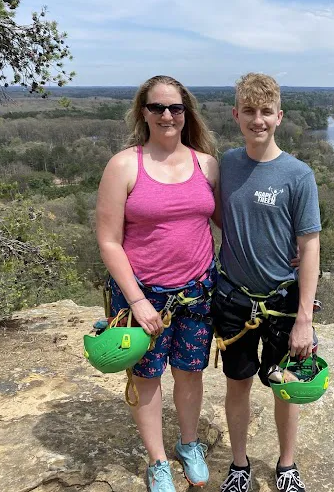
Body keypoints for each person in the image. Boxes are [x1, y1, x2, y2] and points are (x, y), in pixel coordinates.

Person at [96, 75, 219, 492]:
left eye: (175, 108)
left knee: (190, 371)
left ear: (186, 113)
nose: (167, 115)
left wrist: (286, 250)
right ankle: (158, 461)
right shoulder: (125, 165)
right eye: (157, 107)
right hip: (143, 295)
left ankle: (188, 445)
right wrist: (137, 300)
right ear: (143, 112)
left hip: (199, 291)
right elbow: (109, 241)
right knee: (147, 376)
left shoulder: (206, 163)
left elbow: (230, 225)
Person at [212, 73, 321, 492]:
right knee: (237, 382)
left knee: (285, 386)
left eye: (266, 112)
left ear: (280, 116)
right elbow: (220, 215)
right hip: (234, 298)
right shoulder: (228, 164)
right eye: (249, 112)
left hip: (282, 300)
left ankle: (286, 466)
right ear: (236, 115)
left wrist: (305, 319)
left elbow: (309, 245)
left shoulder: (298, 175)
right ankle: (239, 466)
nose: (258, 120)